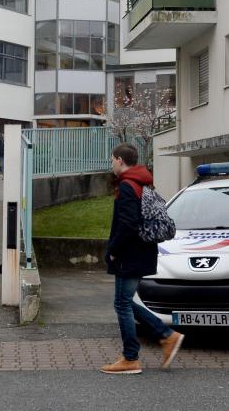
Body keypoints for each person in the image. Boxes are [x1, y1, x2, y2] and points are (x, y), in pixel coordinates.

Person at [99, 144, 183, 375]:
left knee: (122, 304)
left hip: (129, 254)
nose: (111, 164)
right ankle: (166, 336)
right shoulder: (142, 182)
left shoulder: (127, 186)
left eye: (112, 159)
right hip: (140, 252)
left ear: (119, 160)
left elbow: (128, 223)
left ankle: (131, 357)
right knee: (123, 302)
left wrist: (114, 249)